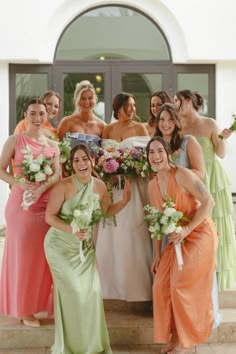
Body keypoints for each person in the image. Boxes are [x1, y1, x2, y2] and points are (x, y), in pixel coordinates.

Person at [44, 143, 131, 354]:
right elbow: (49, 217)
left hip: (85, 248)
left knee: (91, 293)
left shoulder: (100, 186)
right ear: (72, 165)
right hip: (60, 247)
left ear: (93, 161)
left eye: (85, 159)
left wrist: (125, 201)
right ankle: (70, 346)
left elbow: (107, 211)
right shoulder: (63, 186)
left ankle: (90, 346)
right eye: (76, 160)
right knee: (73, 290)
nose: (81, 163)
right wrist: (70, 228)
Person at [147, 136, 218, 354]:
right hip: (177, 239)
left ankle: (184, 340)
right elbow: (157, 222)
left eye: (160, 151)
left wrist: (187, 229)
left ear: (168, 153)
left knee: (179, 283)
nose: (156, 156)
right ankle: (174, 335)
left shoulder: (183, 175)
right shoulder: (152, 185)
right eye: (151, 153)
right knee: (160, 286)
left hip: (199, 233)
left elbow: (209, 202)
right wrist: (157, 255)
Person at [154, 102, 221, 329]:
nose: (165, 124)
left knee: (191, 275)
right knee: (173, 275)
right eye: (161, 119)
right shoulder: (156, 147)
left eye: (170, 119)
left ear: (177, 121)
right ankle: (177, 324)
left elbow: (200, 173)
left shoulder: (188, 142)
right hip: (168, 218)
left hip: (189, 214)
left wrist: (173, 171)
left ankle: (200, 321)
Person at [0, 98, 60, 327]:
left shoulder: (52, 143)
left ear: (47, 116)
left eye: (41, 114)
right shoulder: (15, 140)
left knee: (46, 257)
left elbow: (57, 174)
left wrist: (43, 188)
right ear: (25, 115)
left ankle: (42, 305)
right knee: (25, 257)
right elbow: (0, 169)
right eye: (33, 113)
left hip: (46, 205)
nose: (37, 118)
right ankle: (24, 309)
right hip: (22, 205)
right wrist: (18, 182)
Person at [174, 89, 236, 291]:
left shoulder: (209, 123)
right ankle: (198, 276)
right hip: (192, 178)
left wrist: (224, 139)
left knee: (216, 222)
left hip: (213, 178)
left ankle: (215, 280)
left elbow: (221, 153)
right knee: (196, 222)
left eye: (179, 100)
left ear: (190, 101)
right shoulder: (177, 127)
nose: (176, 104)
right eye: (174, 101)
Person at [96, 92, 153, 302]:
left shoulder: (140, 128)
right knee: (111, 230)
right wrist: (108, 168)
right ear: (118, 107)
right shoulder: (107, 129)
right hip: (112, 188)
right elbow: (101, 157)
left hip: (133, 185)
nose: (133, 110)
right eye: (128, 105)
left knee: (131, 230)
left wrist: (131, 168)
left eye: (134, 105)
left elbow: (147, 158)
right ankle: (110, 285)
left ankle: (136, 286)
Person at [57, 80, 106, 148]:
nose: (87, 102)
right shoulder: (66, 122)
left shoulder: (102, 126)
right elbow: (57, 149)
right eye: (83, 98)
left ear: (95, 99)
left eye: (90, 98)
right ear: (77, 99)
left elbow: (105, 153)